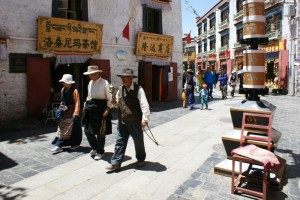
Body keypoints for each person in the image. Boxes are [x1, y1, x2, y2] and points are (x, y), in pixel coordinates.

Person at [106, 68, 150, 171]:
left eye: (126, 77)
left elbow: (144, 105)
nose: (124, 79)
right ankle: (116, 163)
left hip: (135, 121)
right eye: (122, 77)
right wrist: (113, 102)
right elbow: (117, 103)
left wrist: (145, 119)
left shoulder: (139, 89)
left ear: (131, 78)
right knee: (120, 141)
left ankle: (140, 159)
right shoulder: (120, 89)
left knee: (138, 142)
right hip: (123, 121)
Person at [82, 65, 112, 160]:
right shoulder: (90, 83)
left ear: (97, 73)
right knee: (88, 130)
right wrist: (85, 105)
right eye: (89, 75)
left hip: (102, 109)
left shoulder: (105, 83)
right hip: (91, 109)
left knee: (100, 132)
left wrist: (108, 108)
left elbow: (110, 97)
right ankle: (94, 147)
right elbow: (89, 96)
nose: (90, 77)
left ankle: (100, 151)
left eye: (91, 75)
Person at [51, 74, 82, 153]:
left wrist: (76, 113)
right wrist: (60, 108)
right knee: (62, 128)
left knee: (71, 129)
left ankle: (63, 144)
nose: (63, 83)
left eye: (65, 82)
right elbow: (62, 101)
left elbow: (77, 102)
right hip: (64, 112)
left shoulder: (74, 91)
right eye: (63, 82)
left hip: (72, 113)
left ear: (69, 82)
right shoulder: (62, 90)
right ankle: (60, 144)